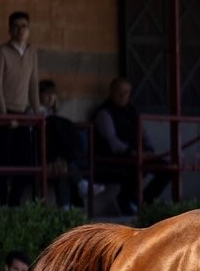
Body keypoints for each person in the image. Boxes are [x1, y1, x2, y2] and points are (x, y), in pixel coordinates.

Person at [93, 77, 171, 215]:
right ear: (111, 92)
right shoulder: (104, 113)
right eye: (119, 92)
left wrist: (148, 150)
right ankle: (125, 202)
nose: (123, 95)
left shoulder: (133, 111)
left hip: (137, 155)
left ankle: (143, 202)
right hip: (114, 159)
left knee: (167, 169)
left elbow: (144, 134)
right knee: (134, 169)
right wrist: (133, 152)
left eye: (126, 92)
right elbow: (112, 142)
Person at [0, 11, 41, 206]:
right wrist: (4, 115)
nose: (21, 30)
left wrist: (37, 113)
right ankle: (1, 206)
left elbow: (33, 85)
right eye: (17, 26)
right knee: (4, 162)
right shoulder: (1, 52)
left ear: (29, 30)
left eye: (25, 26)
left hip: (23, 114)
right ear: (10, 30)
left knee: (27, 165)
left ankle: (13, 204)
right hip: (3, 112)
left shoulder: (31, 53)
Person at [38, 79, 104, 208]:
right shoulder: (36, 112)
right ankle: (79, 185)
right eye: (46, 94)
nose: (51, 97)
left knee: (62, 165)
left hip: (56, 155)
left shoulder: (53, 114)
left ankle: (65, 206)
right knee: (62, 163)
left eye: (53, 94)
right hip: (41, 154)